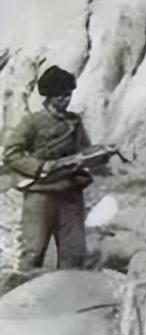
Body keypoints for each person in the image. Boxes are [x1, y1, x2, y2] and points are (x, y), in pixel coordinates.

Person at [2, 65, 94, 269]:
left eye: (69, 95)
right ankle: (22, 289)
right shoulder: (33, 122)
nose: (66, 99)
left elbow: (85, 150)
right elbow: (11, 154)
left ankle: (68, 289)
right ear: (50, 97)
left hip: (70, 192)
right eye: (61, 95)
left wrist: (94, 157)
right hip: (41, 192)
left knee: (74, 253)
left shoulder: (75, 122)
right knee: (33, 251)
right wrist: (41, 166)